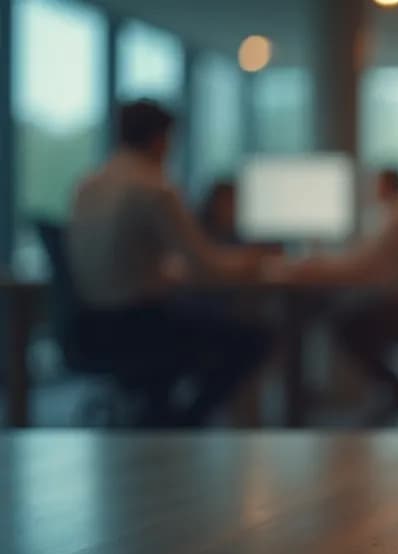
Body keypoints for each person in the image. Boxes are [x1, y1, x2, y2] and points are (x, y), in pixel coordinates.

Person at [66, 100, 272, 426]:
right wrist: (253, 261)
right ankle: (184, 424)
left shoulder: (87, 185)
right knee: (254, 339)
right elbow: (205, 266)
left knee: (196, 326)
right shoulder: (154, 188)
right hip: (141, 325)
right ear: (161, 138)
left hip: (89, 326)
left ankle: (163, 417)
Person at [286, 169, 398, 409]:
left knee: (347, 323)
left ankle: (397, 389)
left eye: (376, 184)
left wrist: (315, 267)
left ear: (386, 187)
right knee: (352, 316)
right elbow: (370, 267)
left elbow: (363, 267)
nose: (371, 190)